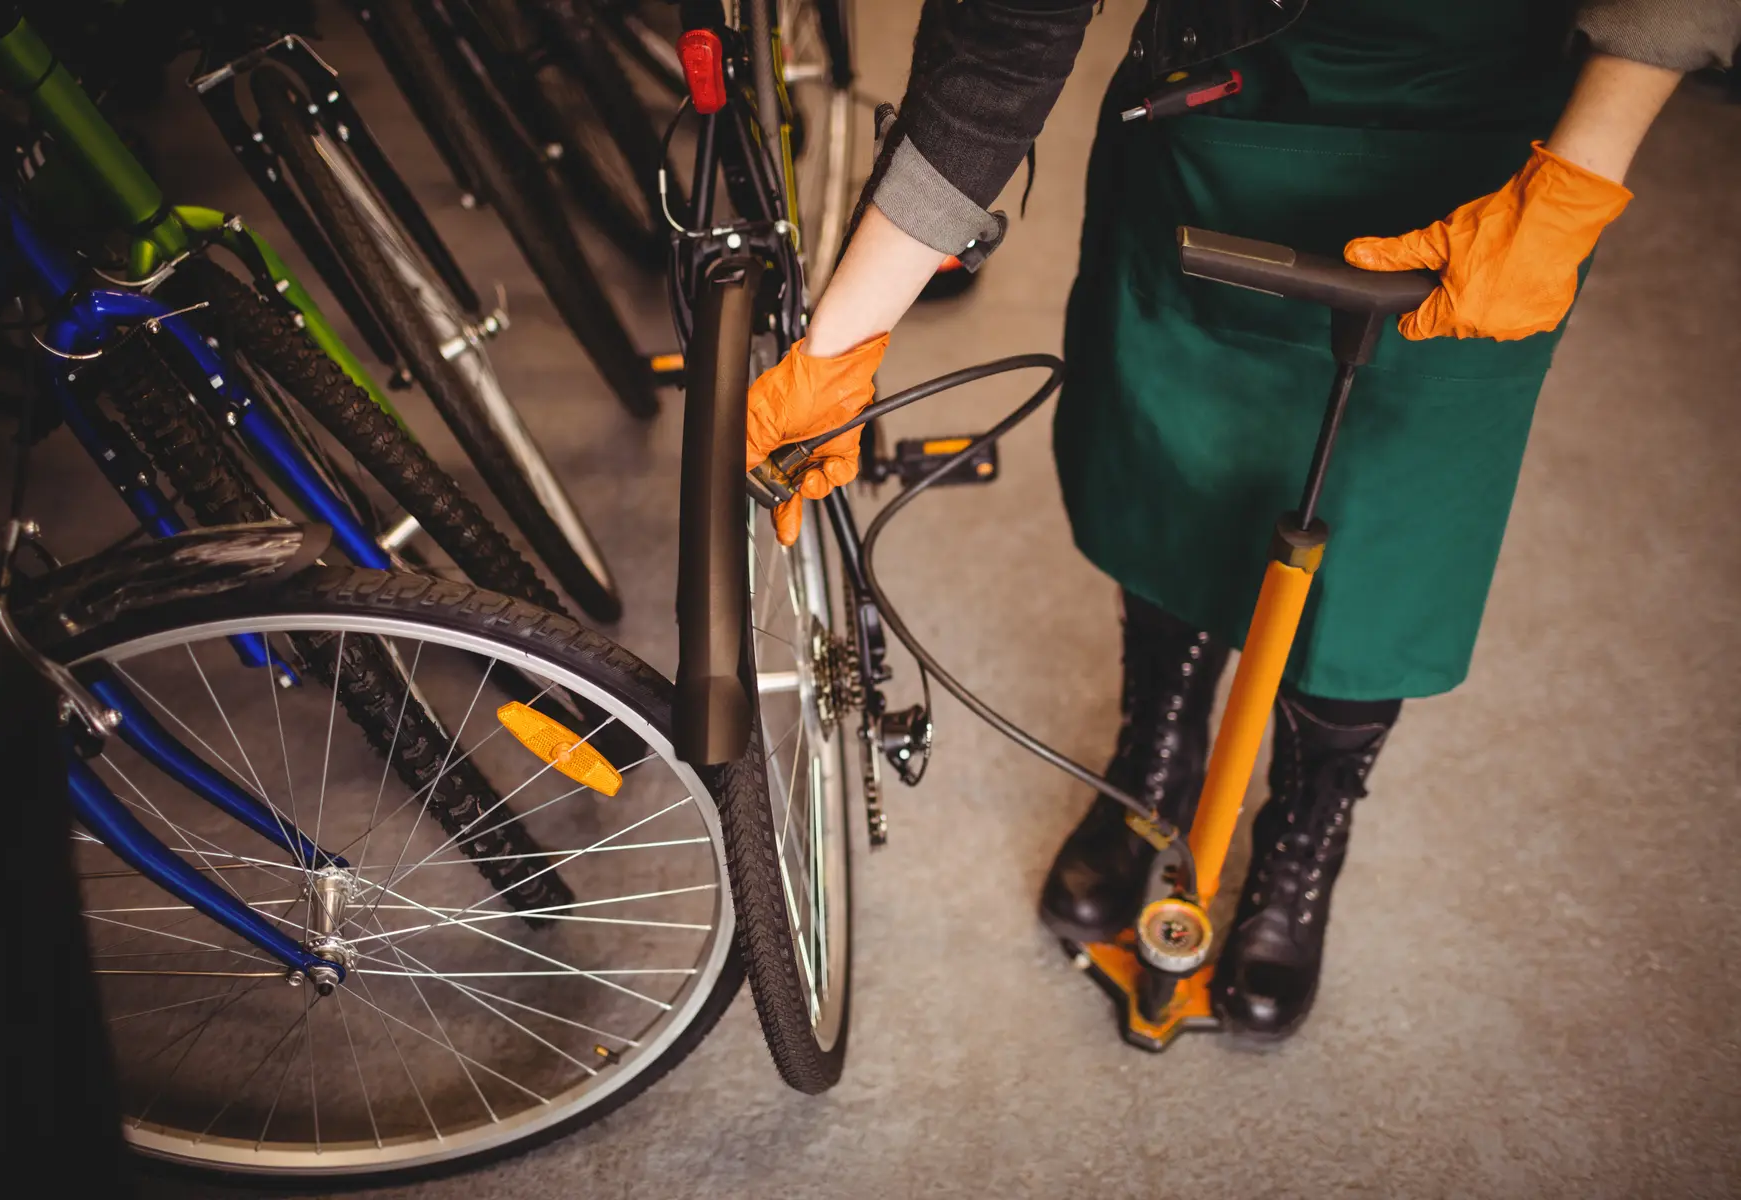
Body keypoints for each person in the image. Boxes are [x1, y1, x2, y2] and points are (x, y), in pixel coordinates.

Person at [745, 0, 1741, 1039]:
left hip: (1483, 144)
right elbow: (1001, 36)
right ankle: (1156, 755)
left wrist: (1577, 178)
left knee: (1391, 542)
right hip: (1223, 106)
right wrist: (840, 348)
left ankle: (1306, 829)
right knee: (1173, 470)